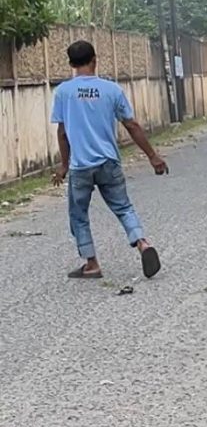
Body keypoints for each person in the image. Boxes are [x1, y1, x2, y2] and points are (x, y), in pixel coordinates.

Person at [50, 40, 167, 280]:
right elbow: (132, 125)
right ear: (95, 60)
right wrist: (152, 156)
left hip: (81, 166)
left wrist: (64, 166)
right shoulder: (112, 90)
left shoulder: (63, 92)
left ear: (71, 64)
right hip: (109, 162)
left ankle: (91, 263)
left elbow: (62, 133)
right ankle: (142, 243)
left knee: (78, 215)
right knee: (123, 207)